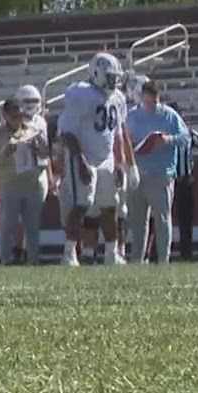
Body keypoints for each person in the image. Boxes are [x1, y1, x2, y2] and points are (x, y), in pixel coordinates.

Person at [56, 53, 133, 267]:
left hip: (107, 158)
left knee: (110, 206)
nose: (113, 81)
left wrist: (120, 161)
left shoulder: (117, 98)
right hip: (84, 155)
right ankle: (69, 253)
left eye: (115, 77)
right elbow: (67, 133)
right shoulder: (80, 93)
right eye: (109, 76)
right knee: (82, 204)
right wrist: (80, 161)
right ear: (96, 73)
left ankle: (111, 252)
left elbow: (117, 133)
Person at [125, 80, 189, 265]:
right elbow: (125, 139)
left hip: (161, 173)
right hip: (138, 172)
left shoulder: (169, 115)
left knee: (162, 217)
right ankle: (137, 257)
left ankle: (163, 258)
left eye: (153, 100)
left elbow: (185, 137)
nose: (150, 104)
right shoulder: (132, 116)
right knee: (138, 219)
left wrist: (167, 140)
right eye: (146, 100)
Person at [0, 85, 50, 266]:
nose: (18, 119)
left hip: (33, 181)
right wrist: (6, 151)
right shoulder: (0, 133)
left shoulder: (36, 127)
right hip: (10, 183)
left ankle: (33, 258)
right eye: (14, 115)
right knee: (8, 224)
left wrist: (37, 148)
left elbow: (46, 153)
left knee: (32, 225)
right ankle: (5, 258)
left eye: (19, 114)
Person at [168, 99, 198, 261]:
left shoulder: (190, 133)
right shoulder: (163, 134)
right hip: (168, 179)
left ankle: (186, 253)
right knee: (163, 218)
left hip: (185, 180)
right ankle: (159, 254)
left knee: (186, 219)